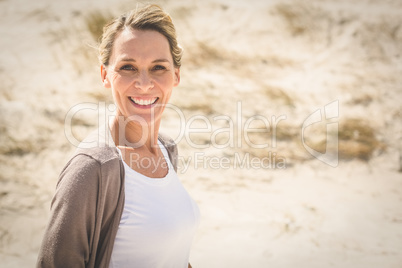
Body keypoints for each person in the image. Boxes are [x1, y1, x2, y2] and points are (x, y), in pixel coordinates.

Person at [37, 5, 200, 268]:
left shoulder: (166, 148)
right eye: (128, 67)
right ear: (105, 75)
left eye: (158, 67)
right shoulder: (93, 168)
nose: (145, 83)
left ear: (176, 75)